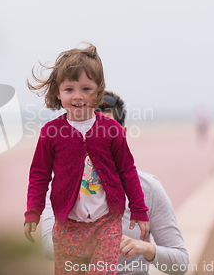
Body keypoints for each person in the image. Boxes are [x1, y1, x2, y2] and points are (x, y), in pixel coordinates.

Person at [24, 44, 149, 275]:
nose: (78, 96)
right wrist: (33, 210)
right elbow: (39, 174)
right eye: (69, 89)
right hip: (67, 226)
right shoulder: (51, 133)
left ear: (99, 91)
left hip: (106, 224)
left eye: (86, 88)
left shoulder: (112, 130)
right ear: (58, 93)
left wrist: (139, 209)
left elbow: (127, 171)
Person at [42, 92, 190, 275]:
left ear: (122, 135)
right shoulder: (59, 187)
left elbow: (181, 264)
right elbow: (49, 248)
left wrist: (145, 248)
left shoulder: (148, 188)